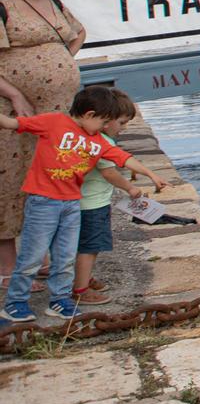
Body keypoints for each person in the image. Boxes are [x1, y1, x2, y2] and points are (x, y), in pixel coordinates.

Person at [2, 85, 156, 323]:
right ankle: (15, 302)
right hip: (44, 202)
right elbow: (15, 124)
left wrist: (151, 174)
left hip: (72, 204)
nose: (106, 128)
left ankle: (60, 299)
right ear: (89, 114)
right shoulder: (53, 122)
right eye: (103, 122)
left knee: (64, 255)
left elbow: (124, 159)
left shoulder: (97, 141)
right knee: (32, 254)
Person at [0, 0, 86, 282]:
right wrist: (17, 92)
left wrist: (63, 60)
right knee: (11, 181)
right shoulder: (5, 8)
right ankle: (8, 266)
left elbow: (79, 32)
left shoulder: (57, 5)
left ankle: (43, 259)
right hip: (16, 110)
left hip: (58, 113)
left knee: (50, 183)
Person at [72, 90, 158, 305]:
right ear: (106, 121)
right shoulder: (102, 142)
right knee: (90, 246)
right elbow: (108, 172)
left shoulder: (89, 137)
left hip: (84, 201)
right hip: (92, 204)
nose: (124, 128)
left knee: (82, 244)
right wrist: (130, 188)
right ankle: (80, 289)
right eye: (121, 122)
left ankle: (84, 277)